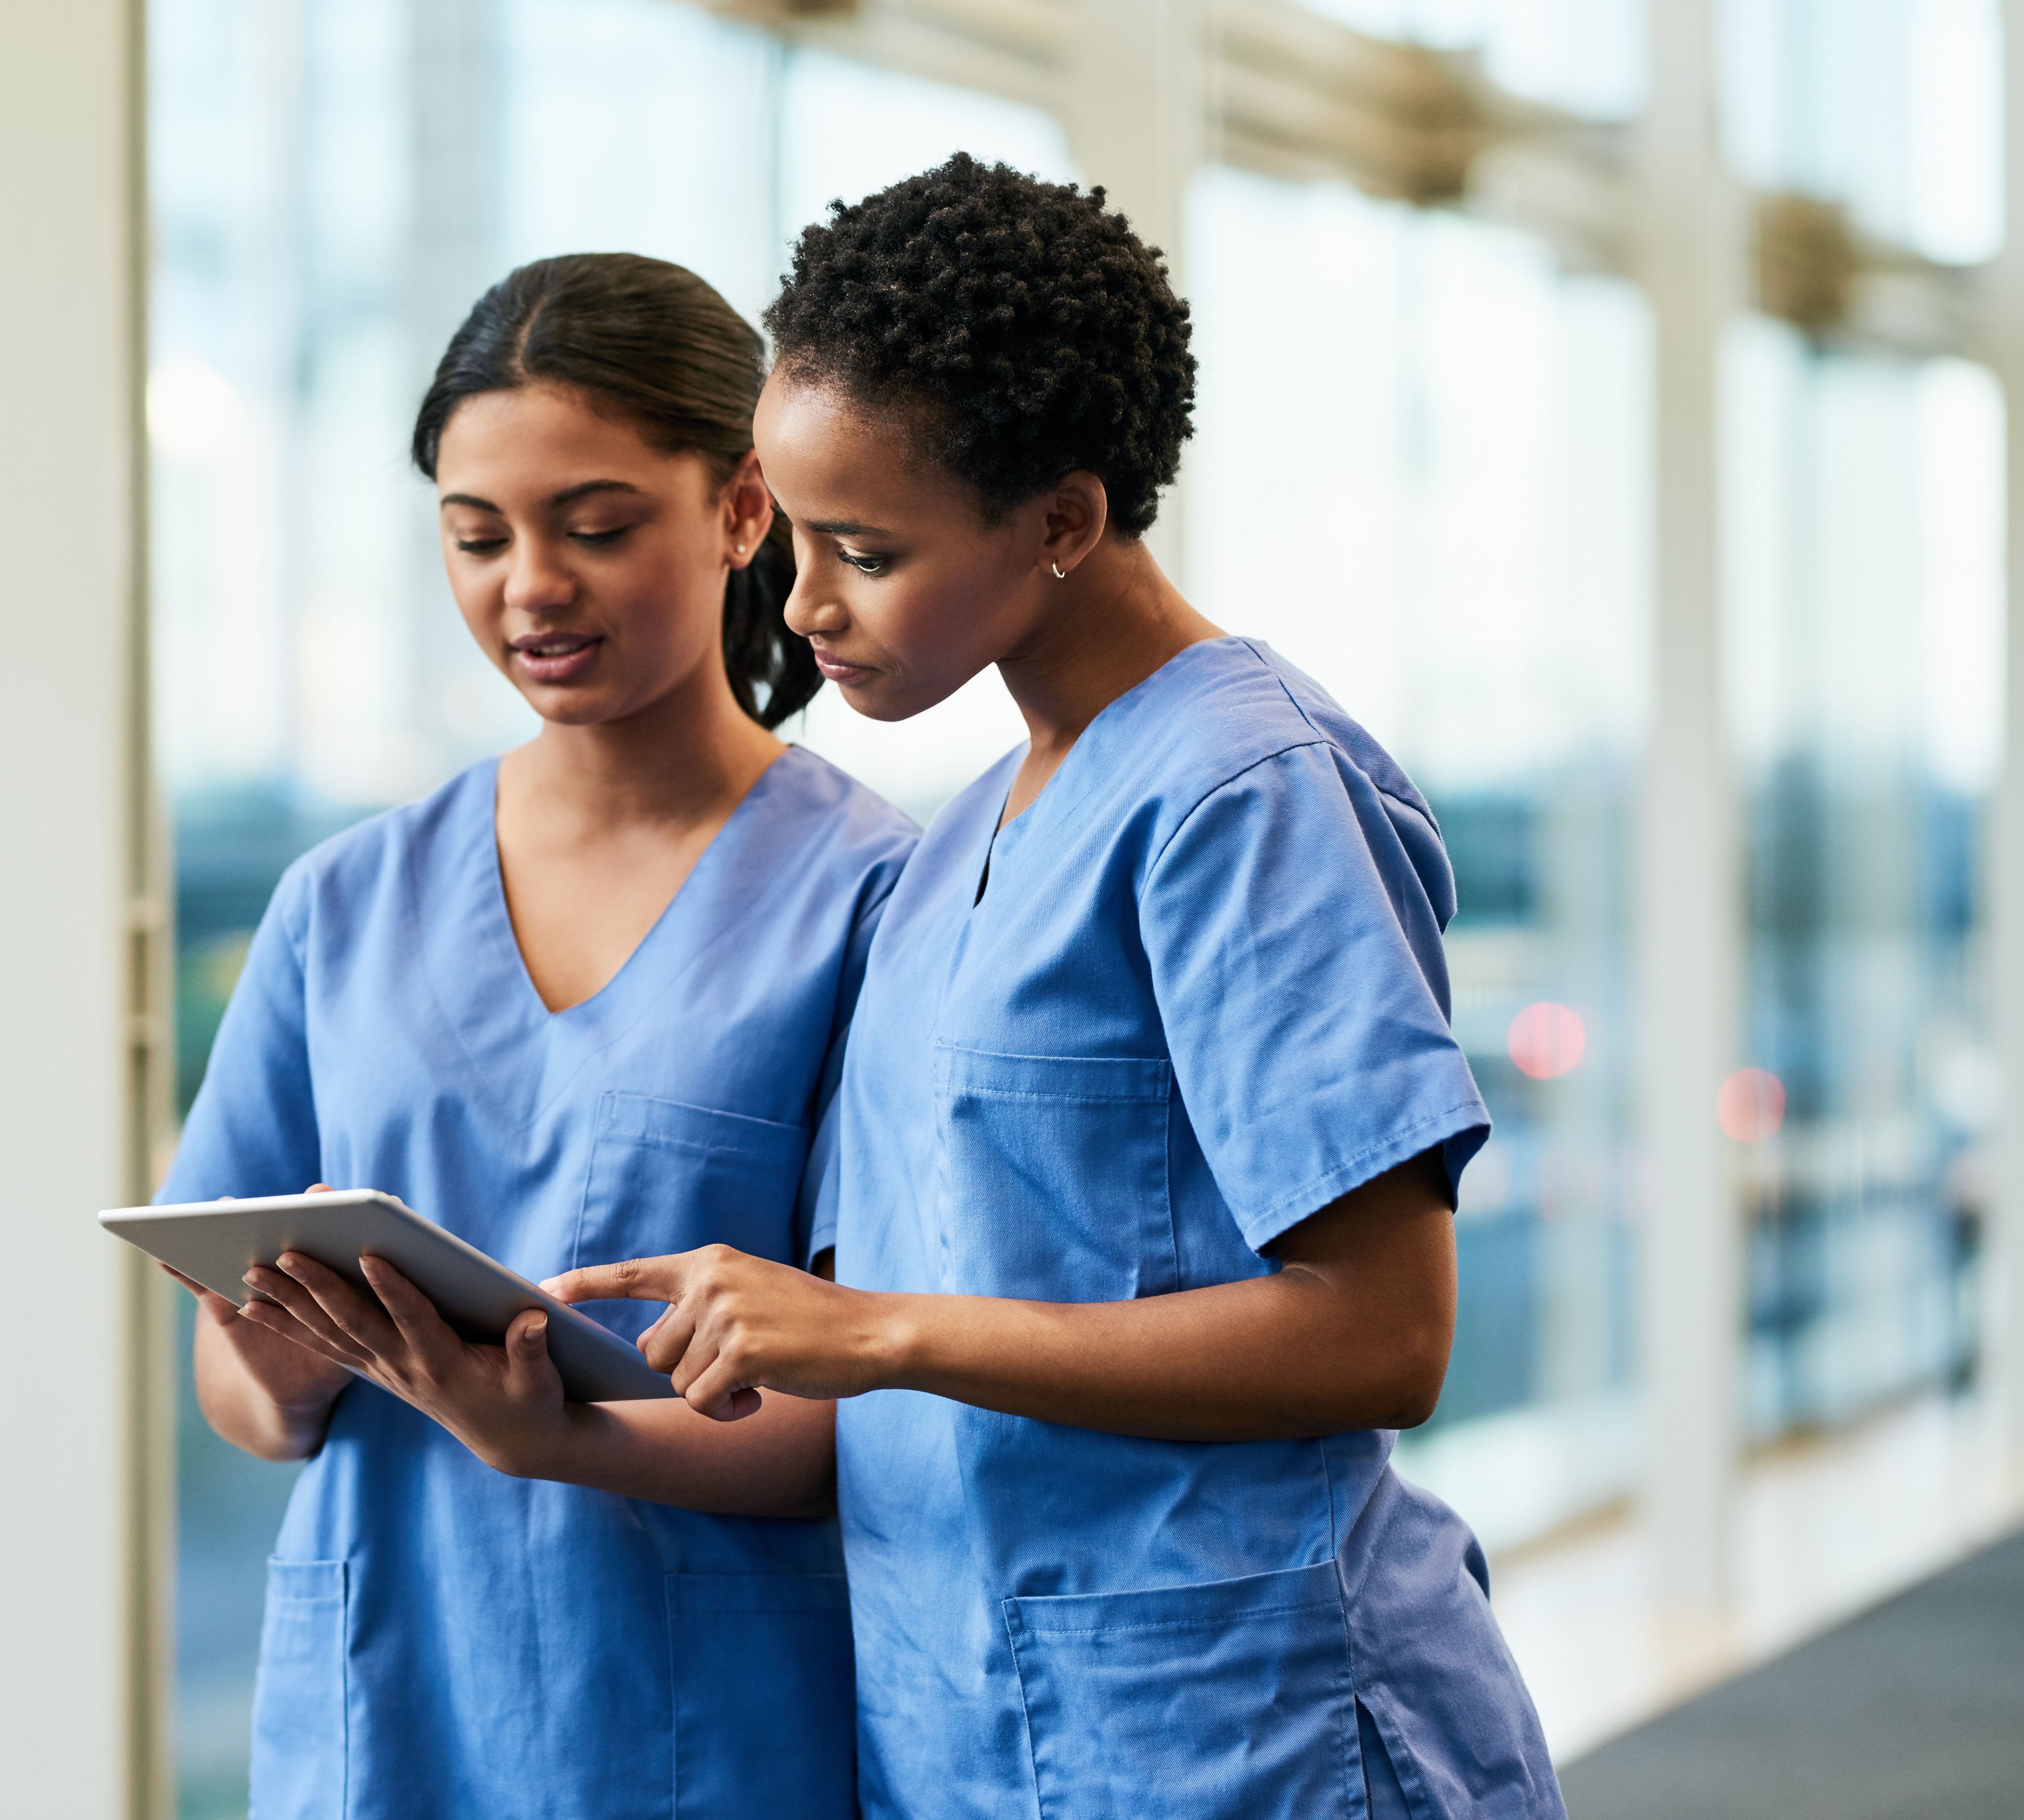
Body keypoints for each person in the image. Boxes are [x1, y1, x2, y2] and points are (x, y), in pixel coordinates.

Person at [549, 157, 1569, 1820]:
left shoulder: (1242, 796)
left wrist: (880, 1330)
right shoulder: (955, 848)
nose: (803, 606)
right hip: (974, 1736)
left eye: (864, 549)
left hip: (1241, 1737)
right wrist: (555, 1404)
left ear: (1063, 522)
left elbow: (1384, 1331)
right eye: (793, 535)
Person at [156, 251, 916, 1820]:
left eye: (596, 526)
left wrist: (559, 1436)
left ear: (741, 509)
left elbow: (879, 1407)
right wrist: (285, 1370)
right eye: (477, 535)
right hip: (383, 1723)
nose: (530, 588)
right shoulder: (341, 904)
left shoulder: (871, 900)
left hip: (704, 1736)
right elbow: (235, 1391)